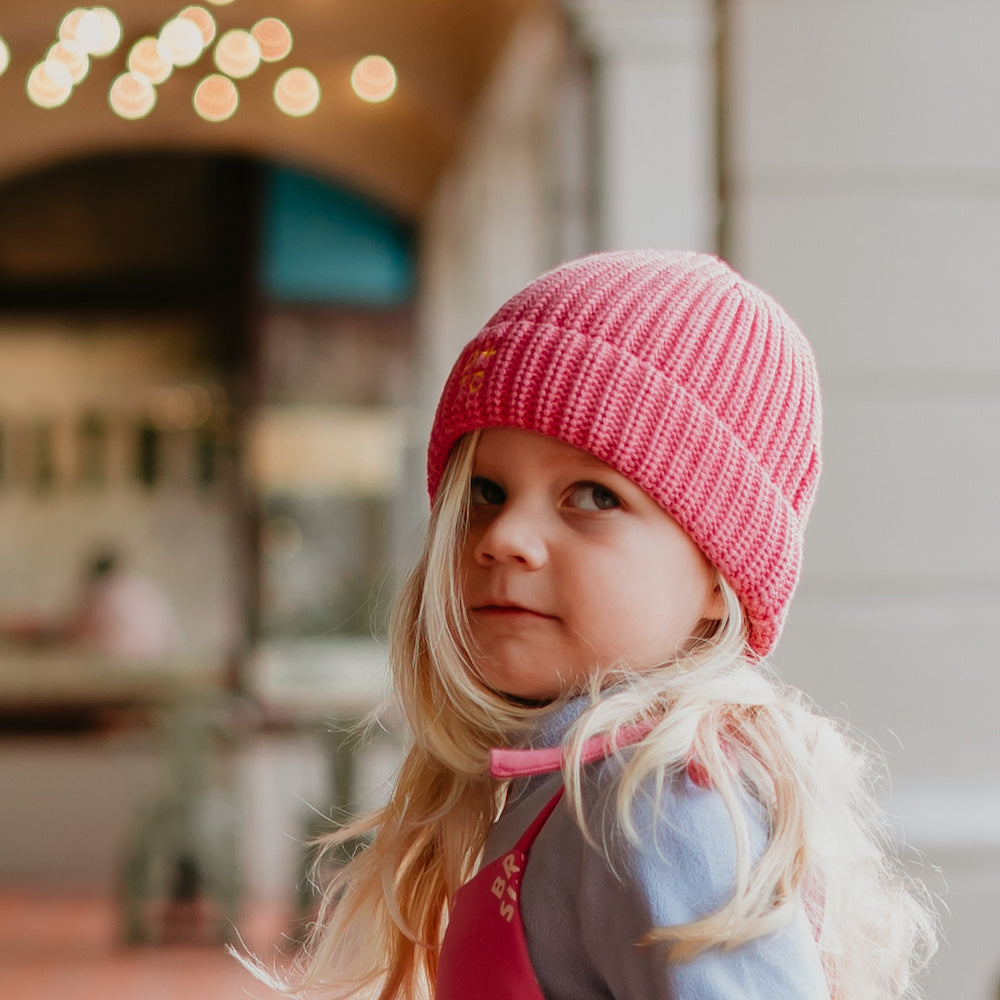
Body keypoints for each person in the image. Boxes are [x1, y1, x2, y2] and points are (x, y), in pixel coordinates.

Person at [250, 251, 937, 999]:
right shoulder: (575, 780)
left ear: (718, 573)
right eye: (485, 489)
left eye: (594, 496)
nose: (503, 535)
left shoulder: (657, 795)